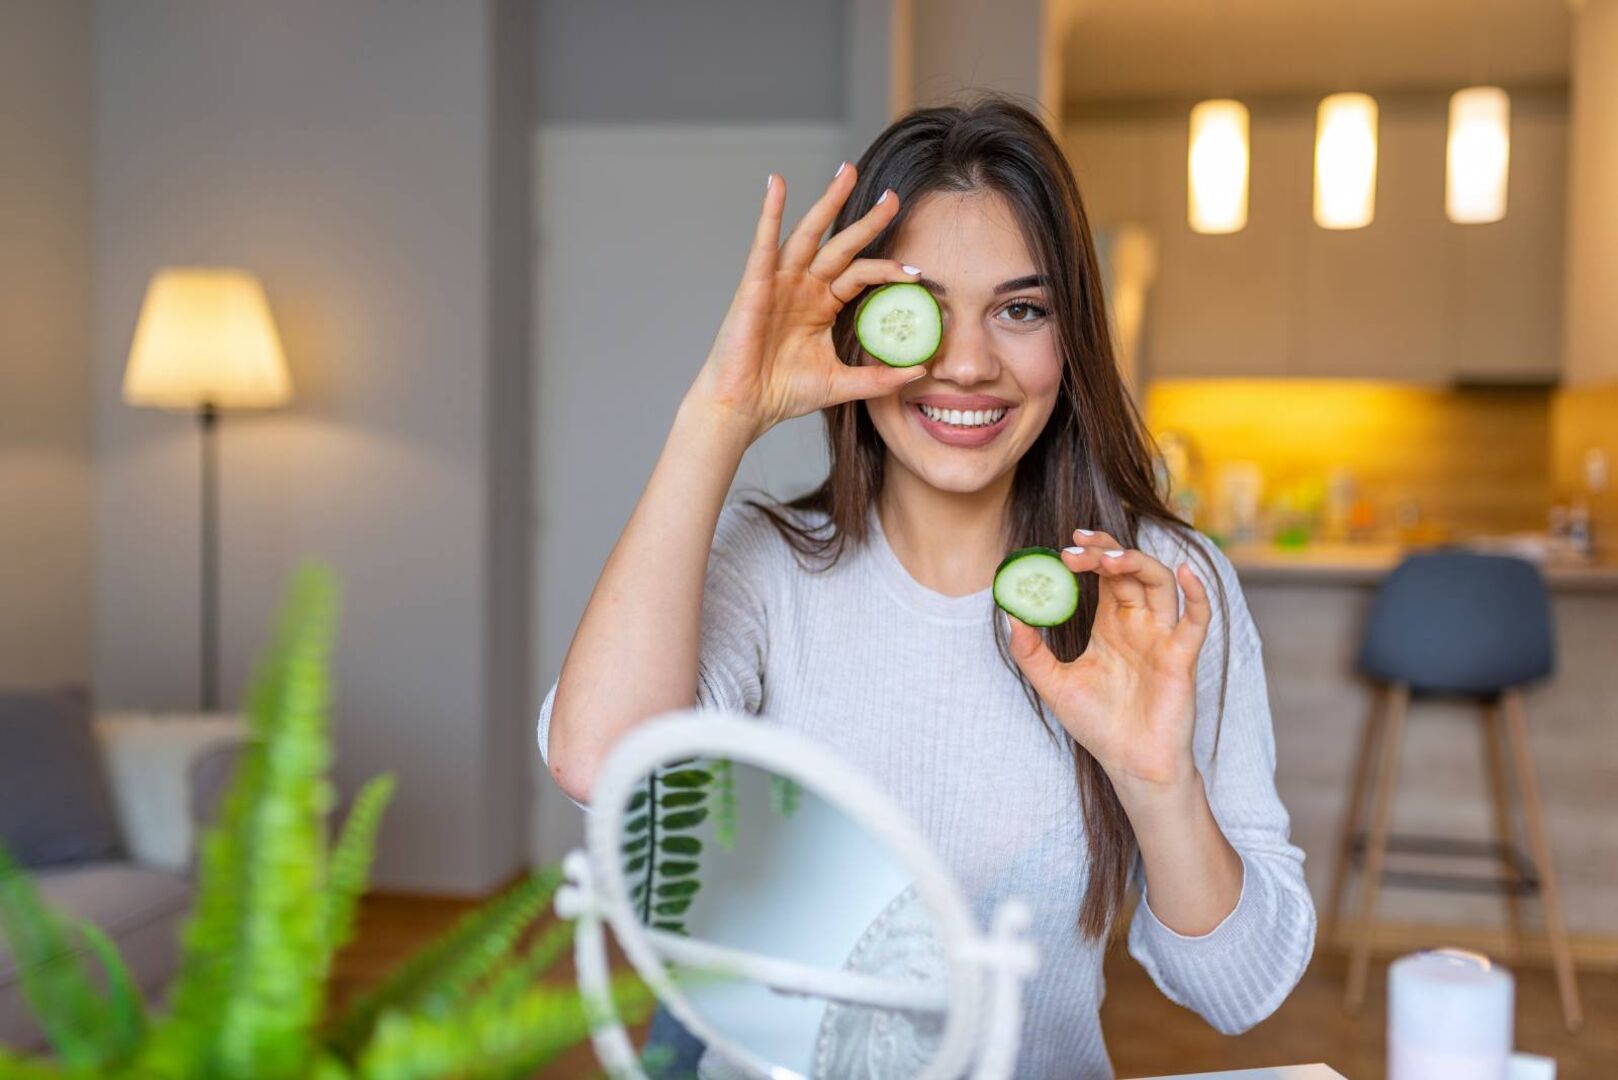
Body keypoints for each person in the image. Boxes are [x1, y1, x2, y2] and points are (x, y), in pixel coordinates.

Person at [538, 95, 1315, 1079]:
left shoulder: (1152, 593)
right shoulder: (768, 568)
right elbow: (599, 764)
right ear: (859, 327)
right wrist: (721, 412)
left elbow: (1237, 992)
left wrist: (1156, 782)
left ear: (1071, 337)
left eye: (1020, 310)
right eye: (922, 311)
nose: (965, 364)